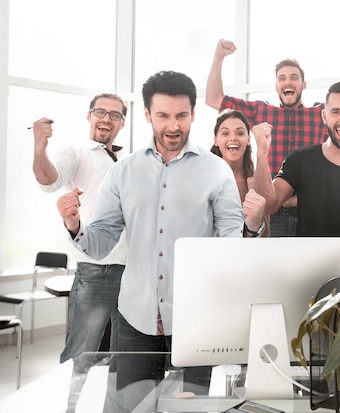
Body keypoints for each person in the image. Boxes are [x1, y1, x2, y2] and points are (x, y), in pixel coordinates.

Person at [56, 70, 266, 412]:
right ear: (148, 115)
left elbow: (232, 245)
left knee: (190, 408)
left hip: (197, 319)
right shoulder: (123, 172)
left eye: (181, 115)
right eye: (163, 115)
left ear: (194, 115)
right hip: (135, 318)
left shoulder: (216, 171)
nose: (173, 126)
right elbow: (101, 242)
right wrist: (74, 224)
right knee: (131, 408)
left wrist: (252, 226)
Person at [206, 38, 340, 237]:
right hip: (274, 215)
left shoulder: (320, 113)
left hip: (312, 213)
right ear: (276, 85)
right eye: (282, 78)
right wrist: (219, 57)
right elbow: (213, 98)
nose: (287, 82)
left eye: (293, 77)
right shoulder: (260, 111)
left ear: (303, 84)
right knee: (274, 267)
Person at [30, 93, 128, 412]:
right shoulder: (77, 153)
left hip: (133, 272)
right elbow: (50, 179)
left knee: (124, 360)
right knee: (79, 356)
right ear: (89, 117)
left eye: (115, 115)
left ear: (122, 123)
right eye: (100, 111)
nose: (107, 118)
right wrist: (40, 147)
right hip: (97, 270)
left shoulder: (127, 162)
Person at [254, 81, 340, 276]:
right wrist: (261, 155)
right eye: (336, 111)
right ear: (324, 116)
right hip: (306, 277)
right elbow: (268, 205)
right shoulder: (300, 161)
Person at [210, 109, 271, 237]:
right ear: (216, 140)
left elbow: (265, 236)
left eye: (240, 133)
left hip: (248, 254)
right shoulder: (206, 179)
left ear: (248, 140)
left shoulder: (255, 181)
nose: (233, 138)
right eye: (225, 133)